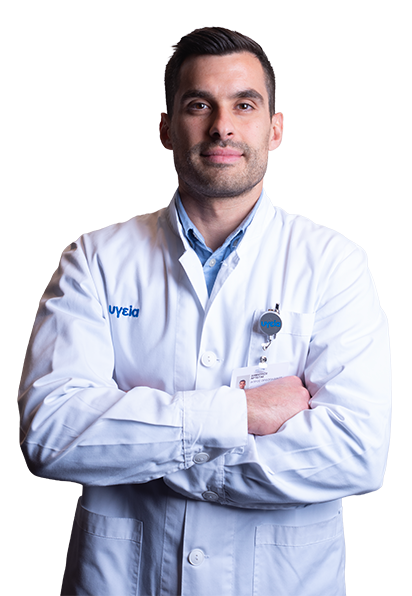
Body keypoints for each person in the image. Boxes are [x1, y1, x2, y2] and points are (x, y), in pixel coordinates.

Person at [18, 26, 391, 596]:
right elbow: (51, 434)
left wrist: (148, 455)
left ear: (275, 128)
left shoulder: (334, 264)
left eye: (245, 105)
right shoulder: (94, 260)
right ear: (166, 128)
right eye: (199, 105)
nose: (222, 126)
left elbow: (355, 454)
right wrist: (242, 414)